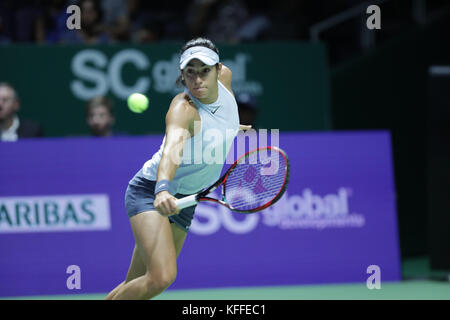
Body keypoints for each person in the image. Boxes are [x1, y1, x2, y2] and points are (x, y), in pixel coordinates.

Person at [105, 38, 249, 300]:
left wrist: (228, 131)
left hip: (185, 200)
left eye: (205, 70)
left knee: (136, 283)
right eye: (190, 73)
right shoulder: (183, 110)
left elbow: (217, 118)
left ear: (219, 69)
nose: (197, 80)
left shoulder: (225, 79)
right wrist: (162, 189)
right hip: (151, 192)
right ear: (182, 75)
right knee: (162, 277)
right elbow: (172, 150)